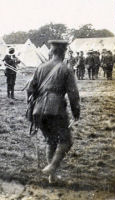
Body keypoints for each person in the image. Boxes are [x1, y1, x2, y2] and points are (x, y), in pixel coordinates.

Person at [26, 40, 80, 183]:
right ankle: (52, 167)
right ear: (64, 53)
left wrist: (33, 105)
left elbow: (30, 90)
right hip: (56, 110)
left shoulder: (40, 67)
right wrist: (76, 113)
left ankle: (52, 177)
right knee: (66, 141)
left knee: (51, 141)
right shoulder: (66, 69)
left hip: (38, 110)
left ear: (51, 52)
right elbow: (73, 94)